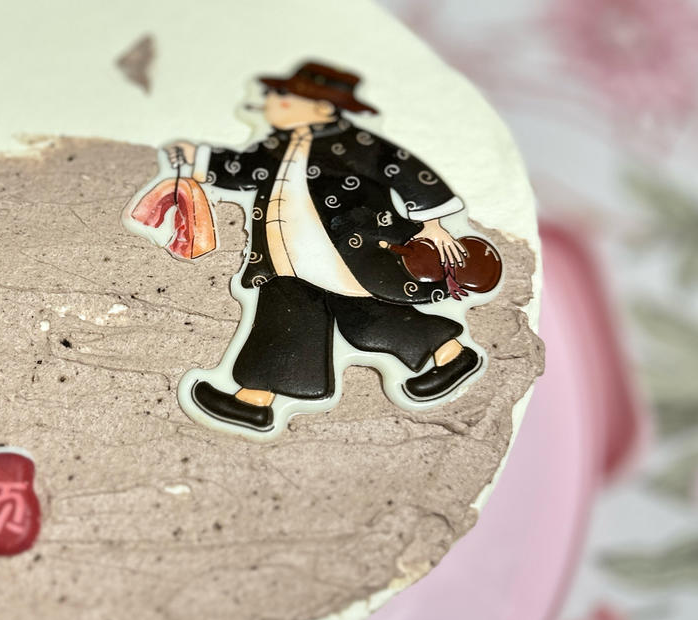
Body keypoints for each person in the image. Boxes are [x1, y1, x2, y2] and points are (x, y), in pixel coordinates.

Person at [167, 61, 482, 432]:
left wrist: (433, 223)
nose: (270, 105)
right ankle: (253, 402)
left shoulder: (356, 144)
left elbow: (406, 170)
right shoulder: (276, 145)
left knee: (371, 322)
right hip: (289, 256)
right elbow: (243, 169)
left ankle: (453, 357)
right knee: (286, 320)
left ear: (321, 107)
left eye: (283, 98)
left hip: (347, 256)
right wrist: (198, 159)